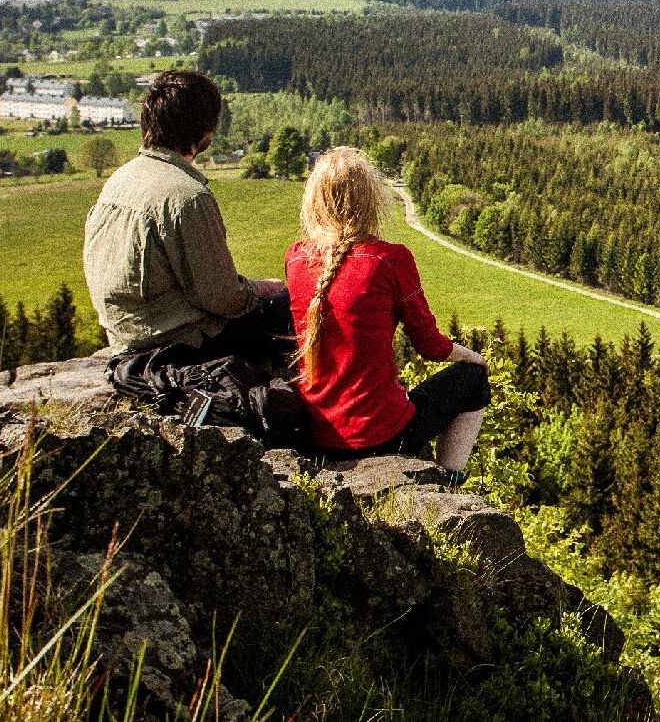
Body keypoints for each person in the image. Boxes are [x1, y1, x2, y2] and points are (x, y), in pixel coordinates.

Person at [287, 146, 490, 484]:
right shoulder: (389, 259)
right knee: (473, 379)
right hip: (381, 437)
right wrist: (473, 357)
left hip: (316, 434)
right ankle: (449, 482)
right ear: (370, 200)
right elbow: (429, 345)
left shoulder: (296, 259)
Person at [87, 70, 293, 393]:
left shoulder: (117, 182)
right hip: (176, 345)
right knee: (294, 306)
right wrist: (262, 289)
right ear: (205, 134)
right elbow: (223, 298)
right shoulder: (187, 196)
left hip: (125, 340)